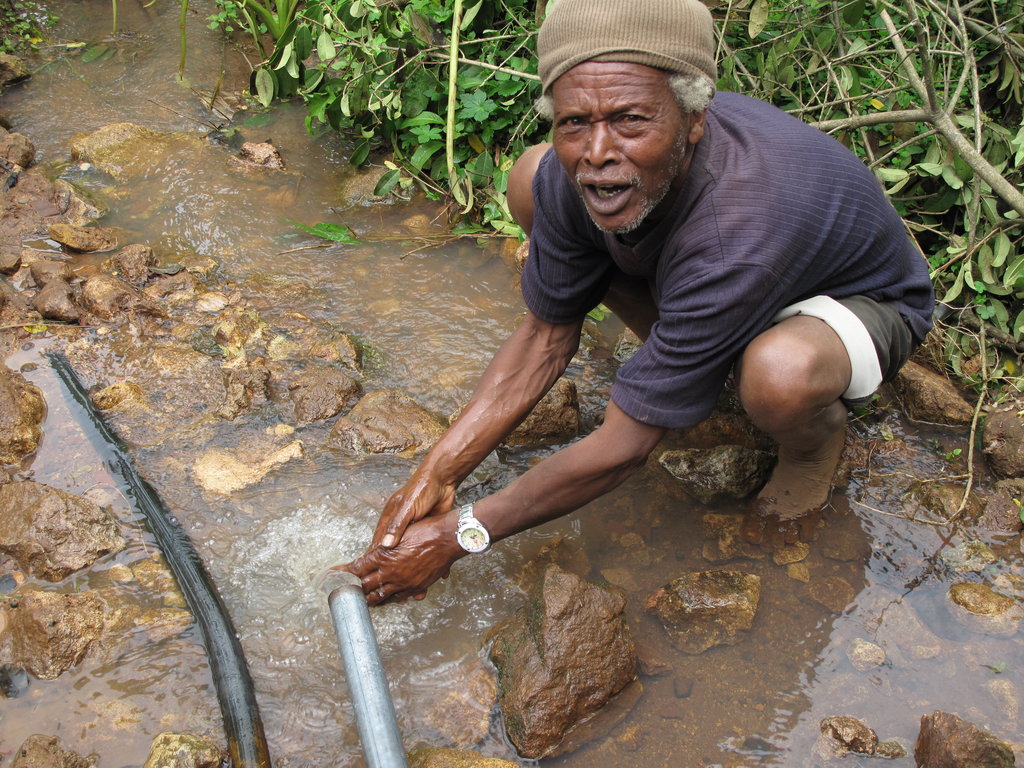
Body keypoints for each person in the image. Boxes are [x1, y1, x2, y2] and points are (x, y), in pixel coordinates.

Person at [340, 0, 935, 605]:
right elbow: (545, 338)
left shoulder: (738, 229)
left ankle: (811, 445)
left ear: (694, 120)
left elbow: (623, 453)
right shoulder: (589, 167)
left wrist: (461, 534)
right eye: (575, 122)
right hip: (715, 274)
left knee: (777, 376)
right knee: (532, 180)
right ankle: (682, 361)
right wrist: (437, 471)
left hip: (852, 304)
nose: (597, 152)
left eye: (630, 120)